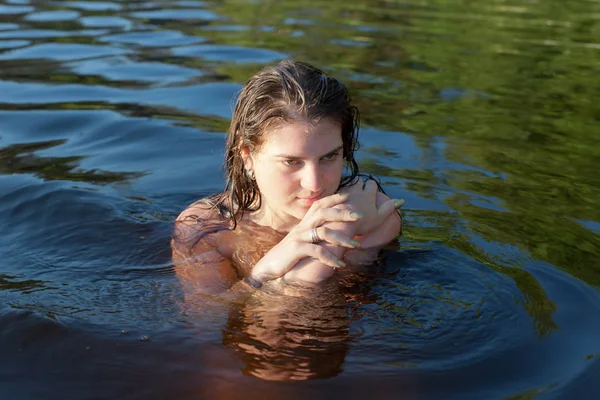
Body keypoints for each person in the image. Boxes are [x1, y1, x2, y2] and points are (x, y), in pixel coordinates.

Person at [171, 60, 403, 294]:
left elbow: (319, 314)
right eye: (291, 162)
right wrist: (265, 271)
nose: (314, 184)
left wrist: (343, 226)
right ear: (248, 157)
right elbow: (205, 323)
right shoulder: (205, 230)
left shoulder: (370, 211)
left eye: (329, 157)